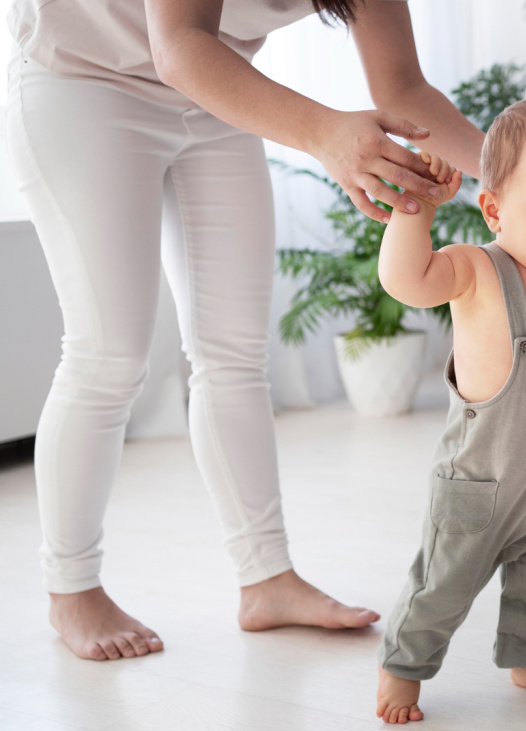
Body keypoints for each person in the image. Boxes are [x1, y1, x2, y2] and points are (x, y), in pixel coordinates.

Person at [5, 0, 485, 661]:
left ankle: (267, 579)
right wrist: (327, 135)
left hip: (214, 92)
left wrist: (516, 172)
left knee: (234, 353)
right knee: (108, 354)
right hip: (83, 77)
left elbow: (403, 87)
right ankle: (72, 588)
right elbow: (178, 44)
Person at [374, 97, 526, 724]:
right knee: (443, 587)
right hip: (477, 489)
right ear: (494, 208)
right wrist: (414, 213)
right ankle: (402, 666)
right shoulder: (479, 271)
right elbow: (406, 281)